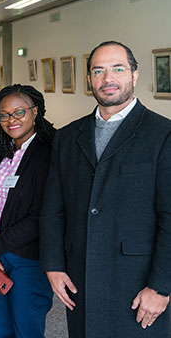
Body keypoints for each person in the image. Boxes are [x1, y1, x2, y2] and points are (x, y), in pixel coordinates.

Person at [40, 41, 171, 337]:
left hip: (137, 286)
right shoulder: (68, 136)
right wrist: (53, 265)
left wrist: (161, 287)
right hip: (81, 278)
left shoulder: (163, 135)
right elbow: (52, 209)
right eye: (98, 70)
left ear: (135, 75)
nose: (107, 78)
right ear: (89, 79)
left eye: (118, 69)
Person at [0, 84, 55, 338]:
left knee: (25, 329)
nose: (11, 120)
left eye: (19, 112)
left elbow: (39, 217)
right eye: (5, 114)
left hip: (27, 260)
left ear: (35, 112)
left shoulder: (48, 154)